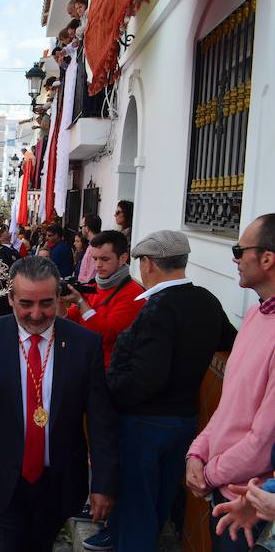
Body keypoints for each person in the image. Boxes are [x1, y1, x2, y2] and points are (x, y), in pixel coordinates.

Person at [0, 256, 117, 551]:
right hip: (1, 479)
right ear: (11, 298)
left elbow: (100, 419)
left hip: (58, 481)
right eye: (26, 303)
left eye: (46, 303)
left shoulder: (83, 344)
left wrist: (102, 483)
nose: (37, 314)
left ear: (59, 297)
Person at [90, 230, 237, 552]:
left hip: (145, 423)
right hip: (185, 422)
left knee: (135, 509)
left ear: (149, 264)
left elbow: (146, 378)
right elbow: (230, 342)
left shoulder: (159, 308)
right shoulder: (207, 300)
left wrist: (106, 394)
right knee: (156, 505)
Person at [187, 213, 275, 551]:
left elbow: (263, 442)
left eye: (240, 250)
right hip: (224, 492)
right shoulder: (255, 314)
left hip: (255, 509)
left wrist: (208, 474)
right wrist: (197, 453)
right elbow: (229, 408)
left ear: (266, 258)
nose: (234, 258)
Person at [61, 230, 145, 369]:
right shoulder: (93, 285)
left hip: (108, 372)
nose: (98, 265)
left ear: (123, 258)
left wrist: (81, 303)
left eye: (105, 259)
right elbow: (73, 318)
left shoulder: (133, 293)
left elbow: (106, 335)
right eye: (95, 259)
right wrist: (58, 302)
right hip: (83, 363)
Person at [77, 214, 102, 283]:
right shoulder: (92, 245)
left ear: (87, 228)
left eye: (81, 227)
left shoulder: (95, 247)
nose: (81, 230)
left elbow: (89, 276)